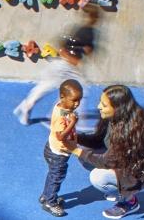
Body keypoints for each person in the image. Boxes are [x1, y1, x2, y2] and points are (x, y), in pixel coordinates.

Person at [64, 85, 144, 219]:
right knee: (86, 156)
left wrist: (75, 150)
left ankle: (129, 202)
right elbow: (99, 140)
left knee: (98, 177)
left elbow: (105, 161)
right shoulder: (113, 118)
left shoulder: (130, 131)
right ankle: (117, 186)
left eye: (104, 105)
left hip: (142, 175)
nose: (99, 107)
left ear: (117, 108)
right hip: (125, 161)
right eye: (100, 102)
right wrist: (75, 137)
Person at [13, 4, 100, 126]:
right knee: (81, 88)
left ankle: (28, 106)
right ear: (94, 17)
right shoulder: (86, 32)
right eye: (98, 16)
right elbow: (64, 49)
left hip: (59, 64)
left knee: (47, 86)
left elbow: (79, 48)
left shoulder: (85, 30)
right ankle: (71, 119)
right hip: (64, 65)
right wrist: (75, 62)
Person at [40, 79, 83, 217]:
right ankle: (50, 203)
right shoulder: (60, 116)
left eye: (79, 100)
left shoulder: (61, 107)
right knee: (57, 177)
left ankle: (46, 195)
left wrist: (71, 117)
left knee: (52, 174)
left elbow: (66, 115)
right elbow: (60, 136)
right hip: (58, 152)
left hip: (51, 148)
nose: (77, 104)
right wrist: (73, 123)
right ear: (62, 97)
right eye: (74, 100)